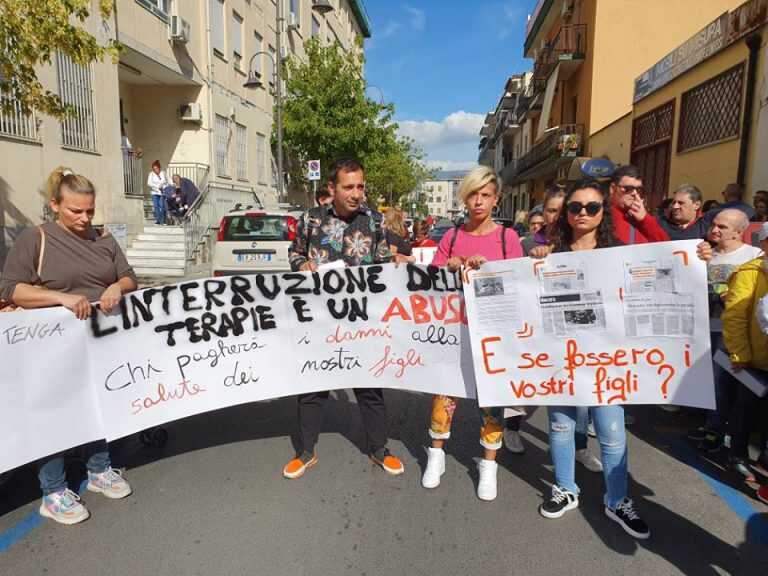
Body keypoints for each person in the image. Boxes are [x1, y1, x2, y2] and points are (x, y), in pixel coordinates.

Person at [0, 167, 137, 525]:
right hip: (46, 347)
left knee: (96, 404)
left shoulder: (103, 238)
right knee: (54, 414)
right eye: (76, 210)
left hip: (98, 341)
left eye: (89, 210)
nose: (85, 218)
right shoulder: (36, 238)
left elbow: (129, 277)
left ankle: (98, 469)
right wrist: (59, 298)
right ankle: (53, 491)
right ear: (55, 205)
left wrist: (115, 288)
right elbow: (11, 289)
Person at [534, 179, 650, 539]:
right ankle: (565, 488)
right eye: (575, 207)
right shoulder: (548, 252)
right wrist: (536, 260)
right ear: (565, 212)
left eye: (592, 207)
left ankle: (617, 501)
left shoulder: (620, 252)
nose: (583, 213)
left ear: (604, 213)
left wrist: (700, 258)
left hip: (607, 361)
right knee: (561, 427)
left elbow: (669, 257)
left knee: (612, 433)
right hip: (561, 358)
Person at [284, 158, 406, 480]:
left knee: (369, 388)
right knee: (312, 388)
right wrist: (301, 266)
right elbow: (294, 253)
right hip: (320, 323)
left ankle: (379, 448)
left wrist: (395, 261)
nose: (356, 193)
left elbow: (382, 265)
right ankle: (306, 451)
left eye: (360, 186)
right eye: (348, 186)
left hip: (361, 325)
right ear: (332, 188)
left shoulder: (375, 221)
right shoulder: (310, 220)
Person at [422, 166, 523, 501]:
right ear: (464, 197)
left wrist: (490, 271)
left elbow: (518, 283)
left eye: (485, 195)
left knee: (492, 402)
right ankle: (436, 456)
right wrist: (449, 266)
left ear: (496, 199)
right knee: (443, 397)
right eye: (472, 194)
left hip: (493, 336)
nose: (478, 201)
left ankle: (488, 466)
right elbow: (429, 279)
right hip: (452, 331)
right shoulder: (450, 237)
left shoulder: (508, 239)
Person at [688, 210, 762, 451]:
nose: (715, 229)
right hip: (702, 328)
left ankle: (719, 431)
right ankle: (711, 425)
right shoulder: (704, 253)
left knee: (725, 383)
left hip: (731, 333)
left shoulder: (754, 256)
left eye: (722, 226)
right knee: (708, 381)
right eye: (713, 225)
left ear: (739, 232)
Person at [721, 223, 768, 482]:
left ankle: (762, 460)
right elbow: (735, 316)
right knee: (745, 408)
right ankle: (736, 456)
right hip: (753, 360)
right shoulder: (749, 272)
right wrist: (740, 354)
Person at [609, 165, 669, 245]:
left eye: (638, 189)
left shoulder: (640, 217)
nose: (635, 193)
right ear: (613, 189)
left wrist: (644, 219)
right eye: (628, 189)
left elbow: (665, 246)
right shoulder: (599, 214)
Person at [522, 186, 565, 255]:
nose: (557, 217)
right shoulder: (527, 244)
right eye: (552, 211)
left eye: (563, 211)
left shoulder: (576, 240)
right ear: (543, 212)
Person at [147, 160, 169, 225]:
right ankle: (158, 220)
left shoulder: (163, 173)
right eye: (154, 169)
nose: (155, 170)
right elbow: (149, 183)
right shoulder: (151, 174)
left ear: (159, 167)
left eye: (156, 168)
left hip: (162, 192)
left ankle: (163, 220)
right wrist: (157, 187)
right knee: (156, 206)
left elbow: (166, 181)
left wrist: (162, 185)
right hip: (154, 193)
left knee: (162, 206)